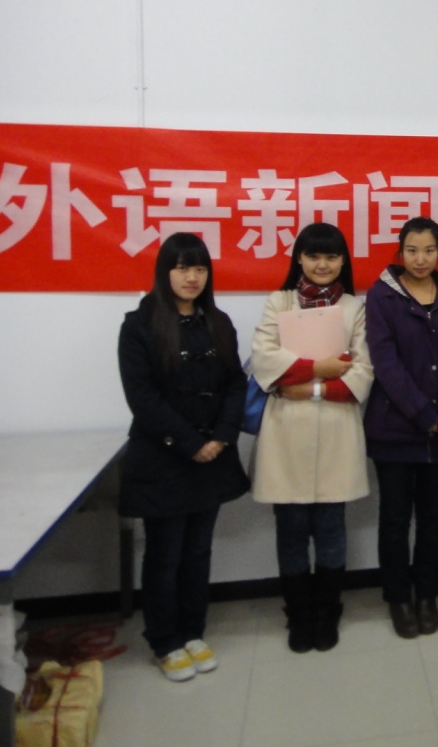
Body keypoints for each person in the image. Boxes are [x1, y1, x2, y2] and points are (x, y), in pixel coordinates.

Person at [117, 232, 249, 682]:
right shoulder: (140, 324)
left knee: (198, 550)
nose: (191, 277)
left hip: (214, 454)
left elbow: (235, 384)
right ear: (165, 272)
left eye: (199, 268)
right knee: (165, 554)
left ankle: (193, 631)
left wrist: (223, 436)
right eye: (182, 268)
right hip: (164, 458)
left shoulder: (218, 321)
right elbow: (142, 397)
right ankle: (164, 640)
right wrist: (191, 443)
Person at [249, 223, 373, 653]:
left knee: (332, 529)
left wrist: (309, 385)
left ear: (343, 261)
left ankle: (327, 611)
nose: (323, 264)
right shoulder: (278, 302)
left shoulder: (354, 307)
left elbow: (361, 371)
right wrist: (323, 368)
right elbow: (265, 361)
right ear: (299, 258)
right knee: (291, 531)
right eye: (314, 255)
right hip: (286, 433)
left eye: (332, 256)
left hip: (336, 429)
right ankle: (298, 614)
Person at [363, 217, 438, 639]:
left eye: (428, 250)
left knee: (433, 517)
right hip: (395, 429)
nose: (420, 259)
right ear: (400, 252)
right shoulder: (382, 295)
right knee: (394, 519)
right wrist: (424, 414)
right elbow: (385, 363)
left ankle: (427, 595)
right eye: (411, 250)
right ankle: (398, 598)